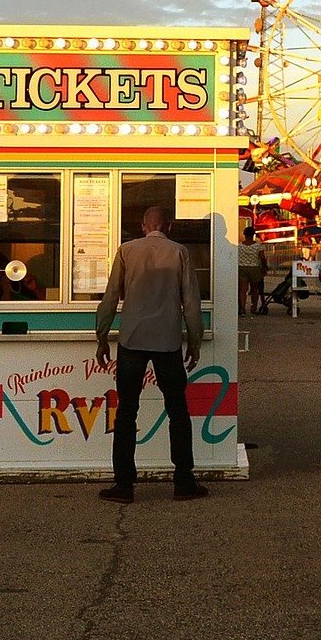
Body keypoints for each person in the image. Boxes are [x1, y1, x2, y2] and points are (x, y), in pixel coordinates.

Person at [94, 205, 206, 504]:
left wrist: (102, 336)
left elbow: (110, 297)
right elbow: (191, 303)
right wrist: (195, 342)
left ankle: (124, 485)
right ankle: (184, 480)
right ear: (168, 227)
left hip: (132, 339)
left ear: (143, 226)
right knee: (178, 412)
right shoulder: (180, 252)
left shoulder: (126, 251)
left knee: (127, 412)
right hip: (168, 342)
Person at [237, 225, 267, 315]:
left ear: (244, 235)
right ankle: (254, 307)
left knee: (243, 290)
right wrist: (265, 267)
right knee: (254, 289)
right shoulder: (258, 246)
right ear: (253, 234)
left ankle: (242, 308)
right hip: (255, 268)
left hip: (242, 267)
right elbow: (262, 258)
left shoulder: (239, 246)